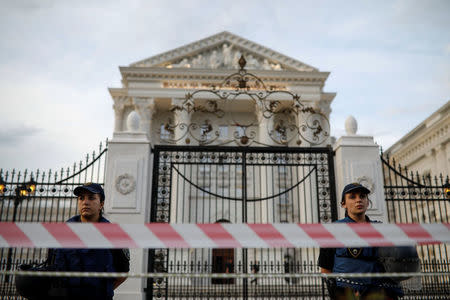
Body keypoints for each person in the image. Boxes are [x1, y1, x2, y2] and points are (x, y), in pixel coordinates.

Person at [318, 183, 403, 300]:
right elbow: (325, 269)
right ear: (343, 204)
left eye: (362, 196)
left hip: (381, 293)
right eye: (352, 197)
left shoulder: (381, 229)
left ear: (367, 202)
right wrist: (339, 293)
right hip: (349, 293)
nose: (358, 200)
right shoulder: (333, 230)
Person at [53, 183, 128, 300]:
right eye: (81, 198)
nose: (85, 202)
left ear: (101, 204)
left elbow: (123, 273)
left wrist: (104, 291)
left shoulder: (114, 234)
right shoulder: (63, 233)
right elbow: (53, 268)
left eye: (91, 198)